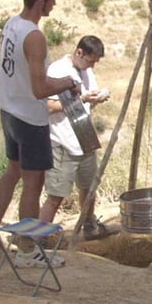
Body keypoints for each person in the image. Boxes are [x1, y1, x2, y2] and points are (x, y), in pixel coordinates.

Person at [0, 0, 79, 267]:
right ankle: (27, 249)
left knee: (12, 172)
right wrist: (68, 82)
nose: (54, 5)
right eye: (52, 0)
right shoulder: (34, 36)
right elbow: (40, 89)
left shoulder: (12, 24)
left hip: (9, 109)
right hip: (29, 117)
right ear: (40, 2)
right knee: (33, 182)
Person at [38, 35, 111, 238]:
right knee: (56, 196)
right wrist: (81, 100)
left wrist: (95, 99)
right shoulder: (57, 70)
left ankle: (89, 225)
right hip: (63, 142)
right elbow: (48, 106)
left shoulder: (86, 72)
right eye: (90, 61)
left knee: (89, 188)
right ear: (79, 52)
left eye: (95, 62)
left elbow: (85, 103)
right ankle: (38, 239)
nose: (92, 66)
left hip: (84, 137)